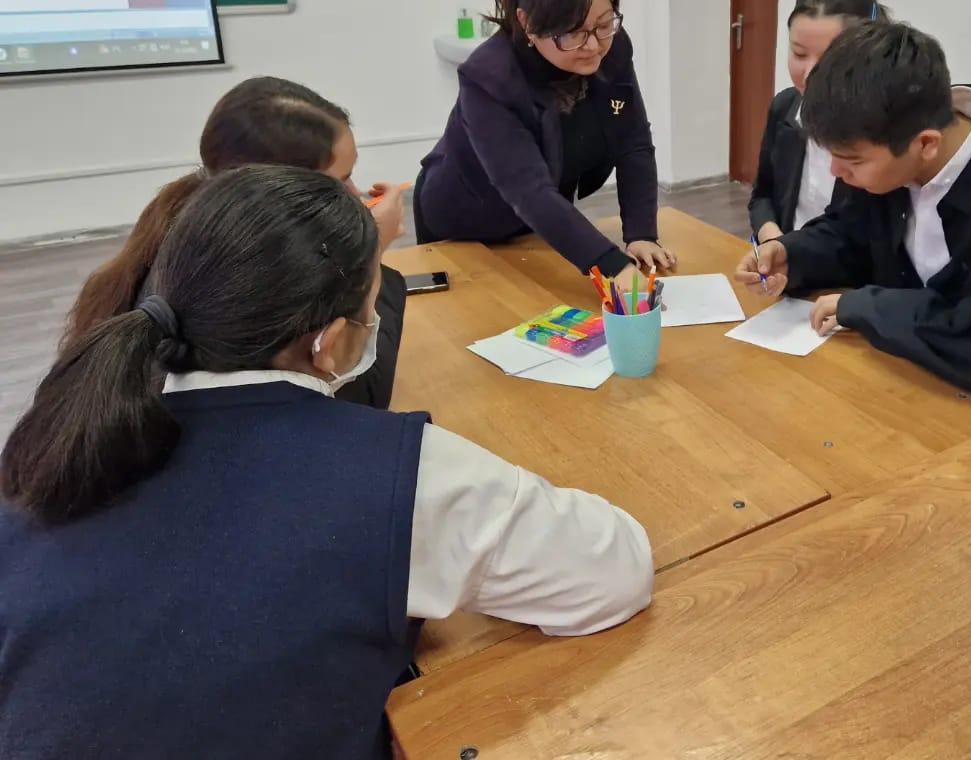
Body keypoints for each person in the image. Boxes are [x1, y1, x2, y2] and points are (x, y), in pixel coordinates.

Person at [0, 166, 653, 759]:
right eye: (371, 310)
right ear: (330, 343)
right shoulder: (400, 476)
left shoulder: (56, 445)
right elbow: (613, 570)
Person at [735, 22, 971, 405]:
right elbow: (852, 234)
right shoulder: (887, 148)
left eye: (852, 160)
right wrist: (794, 254)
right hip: (890, 386)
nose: (837, 172)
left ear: (926, 144)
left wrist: (864, 307)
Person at [62, 76, 408, 410]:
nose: (355, 194)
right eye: (340, 182)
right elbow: (359, 397)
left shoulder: (198, 235)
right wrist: (369, 253)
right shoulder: (248, 283)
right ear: (281, 189)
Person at [416, 0, 673, 290]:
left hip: (542, 223)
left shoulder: (612, 47)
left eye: (603, 24)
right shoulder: (489, 77)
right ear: (527, 23)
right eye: (573, 33)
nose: (594, 45)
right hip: (466, 223)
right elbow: (529, 190)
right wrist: (612, 266)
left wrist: (641, 232)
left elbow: (633, 141)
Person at [749, 0, 888, 241]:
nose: (809, 73)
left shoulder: (883, 130)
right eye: (799, 54)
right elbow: (762, 195)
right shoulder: (785, 107)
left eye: (828, 59)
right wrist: (772, 236)